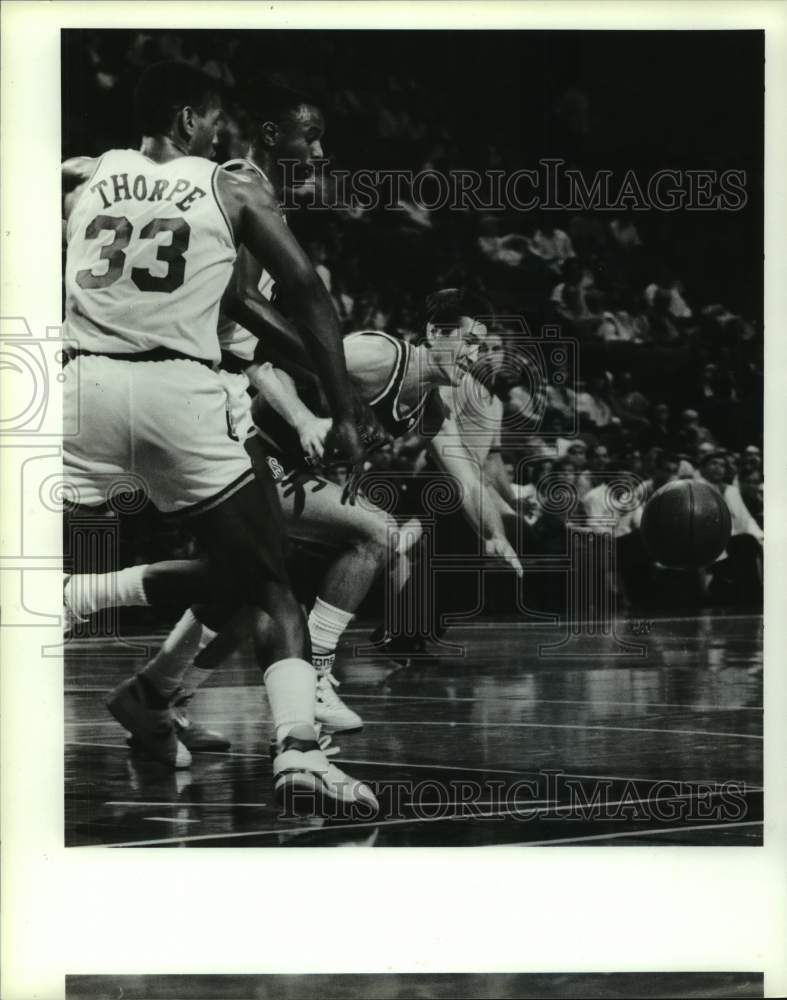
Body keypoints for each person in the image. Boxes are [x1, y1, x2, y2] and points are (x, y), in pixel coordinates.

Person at [62, 61, 375, 813]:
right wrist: (335, 401)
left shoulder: (84, 173)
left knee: (239, 574)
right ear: (188, 120)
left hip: (80, 386)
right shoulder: (231, 186)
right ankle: (297, 745)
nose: (216, 133)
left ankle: (152, 691)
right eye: (210, 121)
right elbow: (287, 299)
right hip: (191, 394)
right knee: (267, 581)